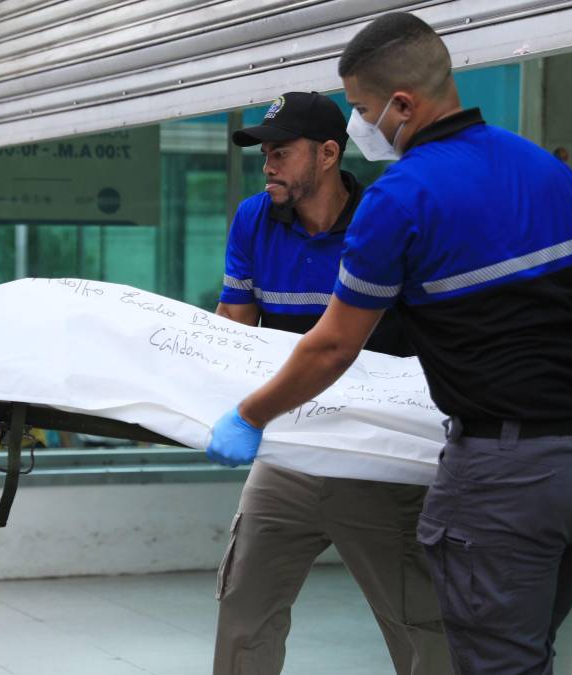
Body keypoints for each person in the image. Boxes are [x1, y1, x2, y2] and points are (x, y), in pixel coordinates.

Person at [205, 14, 572, 675]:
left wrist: (249, 414)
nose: (360, 124)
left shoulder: (400, 198)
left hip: (497, 463)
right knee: (523, 650)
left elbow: (334, 346)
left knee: (475, 651)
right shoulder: (546, 169)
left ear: (401, 105)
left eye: (362, 108)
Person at [211, 91, 452, 675]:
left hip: (375, 459)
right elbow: (232, 331)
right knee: (244, 610)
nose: (268, 166)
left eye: (281, 152)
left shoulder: (384, 224)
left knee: (419, 624)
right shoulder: (254, 219)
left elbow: (414, 343)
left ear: (326, 154)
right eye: (264, 154)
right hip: (288, 451)